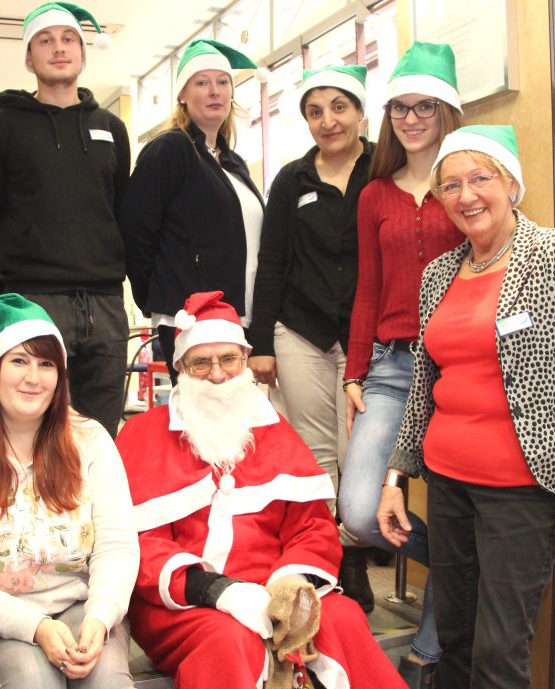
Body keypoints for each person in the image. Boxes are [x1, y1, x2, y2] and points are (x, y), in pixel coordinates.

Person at [378, 125, 555, 688]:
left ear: (510, 183)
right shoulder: (439, 273)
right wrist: (395, 477)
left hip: (521, 492)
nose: (466, 196)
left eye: (480, 178)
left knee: (499, 651)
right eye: (451, 185)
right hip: (448, 485)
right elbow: (423, 387)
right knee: (454, 640)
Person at [116, 291, 405, 689]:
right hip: (183, 604)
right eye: (201, 362)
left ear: (245, 360)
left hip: (276, 590)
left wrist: (290, 588)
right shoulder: (143, 435)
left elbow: (312, 528)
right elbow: (139, 544)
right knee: (230, 639)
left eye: (228, 359)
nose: (217, 374)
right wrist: (217, 591)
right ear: (181, 366)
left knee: (343, 618)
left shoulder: (274, 429)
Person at [334, 41, 464, 685]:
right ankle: (467, 556)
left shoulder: (465, 183)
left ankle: (429, 651)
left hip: (460, 369)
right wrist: (356, 372)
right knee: (358, 510)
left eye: (425, 107)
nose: (412, 118)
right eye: (401, 108)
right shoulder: (374, 194)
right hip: (389, 367)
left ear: (446, 112)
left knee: (453, 504)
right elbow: (366, 287)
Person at [0, 294, 139, 689]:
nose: (33, 377)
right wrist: (36, 627)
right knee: (32, 678)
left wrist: (101, 616)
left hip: (81, 607)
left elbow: (117, 546)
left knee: (107, 679)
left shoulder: (91, 441)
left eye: (46, 364)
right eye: (19, 361)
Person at [247, 65, 377, 610]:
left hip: (367, 335)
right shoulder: (292, 180)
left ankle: (357, 550)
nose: (328, 121)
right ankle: (328, 561)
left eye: (338, 107)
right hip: (299, 330)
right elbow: (272, 260)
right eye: (315, 111)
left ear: (360, 111)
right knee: (314, 453)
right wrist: (260, 343)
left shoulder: (384, 170)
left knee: (360, 458)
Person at [0, 2, 130, 438]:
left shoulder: (110, 128)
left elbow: (121, 211)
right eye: (46, 40)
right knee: (32, 431)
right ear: (28, 57)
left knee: (100, 435)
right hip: (34, 299)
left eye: (68, 39)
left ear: (83, 52)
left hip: (104, 304)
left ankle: (92, 508)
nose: (59, 49)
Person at [121, 39, 264, 384]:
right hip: (189, 317)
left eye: (222, 82)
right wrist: (158, 301)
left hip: (235, 317)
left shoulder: (233, 163)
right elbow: (135, 230)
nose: (214, 91)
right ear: (183, 95)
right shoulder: (170, 149)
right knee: (202, 425)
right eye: (202, 82)